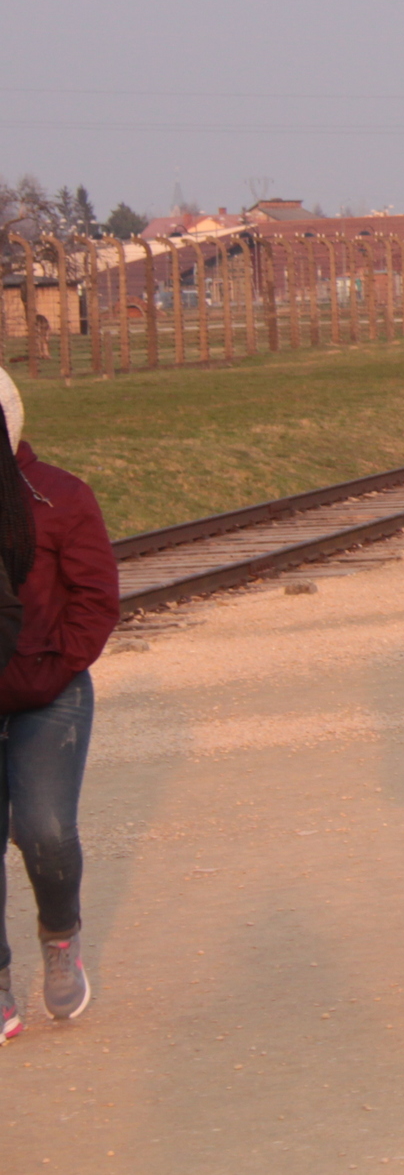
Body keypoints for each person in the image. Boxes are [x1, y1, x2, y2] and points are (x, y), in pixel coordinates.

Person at [0, 367, 118, 1040]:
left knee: (42, 829)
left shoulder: (61, 496)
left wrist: (56, 664)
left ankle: (60, 931)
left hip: (50, 693)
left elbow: (96, 595)